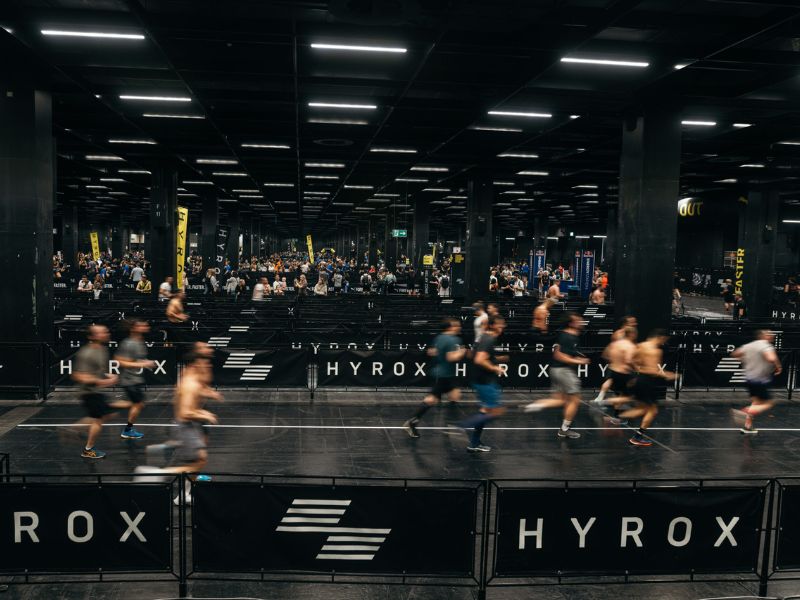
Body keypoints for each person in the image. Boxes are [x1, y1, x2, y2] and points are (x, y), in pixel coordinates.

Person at [524, 312, 589, 439]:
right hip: (564, 371)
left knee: (560, 400)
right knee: (575, 400)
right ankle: (564, 429)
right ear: (571, 323)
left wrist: (577, 355)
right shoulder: (568, 336)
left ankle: (536, 405)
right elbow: (559, 355)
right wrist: (579, 361)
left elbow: (565, 351)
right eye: (578, 320)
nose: (581, 321)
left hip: (557, 370)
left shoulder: (567, 335)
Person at [403, 318, 466, 438]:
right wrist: (462, 352)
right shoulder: (453, 340)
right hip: (444, 375)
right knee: (432, 399)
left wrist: (441, 353)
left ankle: (449, 424)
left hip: (444, 374)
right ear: (449, 327)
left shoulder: (439, 337)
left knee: (455, 396)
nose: (459, 327)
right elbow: (451, 358)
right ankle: (412, 422)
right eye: (456, 326)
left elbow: (431, 352)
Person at [458, 317, 508, 452]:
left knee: (485, 410)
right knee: (496, 411)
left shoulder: (483, 338)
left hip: (481, 380)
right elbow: (479, 360)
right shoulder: (489, 339)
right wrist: (495, 367)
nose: (502, 327)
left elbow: (475, 355)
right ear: (492, 325)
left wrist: (497, 359)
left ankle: (474, 443)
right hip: (485, 381)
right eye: (499, 324)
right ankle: (462, 426)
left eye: (503, 324)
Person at [72, 325, 119, 458]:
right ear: (92, 336)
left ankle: (75, 428)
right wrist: (102, 382)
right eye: (101, 332)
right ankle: (88, 449)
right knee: (98, 420)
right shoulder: (86, 353)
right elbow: (78, 376)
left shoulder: (102, 349)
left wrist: (108, 375)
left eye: (106, 331)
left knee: (109, 415)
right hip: (88, 392)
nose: (106, 334)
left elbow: (98, 370)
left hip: (96, 391)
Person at [622, 330, 676, 447]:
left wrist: (637, 371)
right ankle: (637, 436)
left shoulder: (641, 345)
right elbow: (653, 370)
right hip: (647, 382)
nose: (663, 342)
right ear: (660, 337)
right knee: (652, 411)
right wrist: (668, 375)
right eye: (664, 340)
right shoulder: (655, 351)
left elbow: (630, 360)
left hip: (639, 379)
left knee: (643, 409)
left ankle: (620, 418)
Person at [731, 331, 782, 434]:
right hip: (761, 380)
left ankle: (747, 427)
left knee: (756, 402)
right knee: (768, 404)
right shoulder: (766, 345)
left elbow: (735, 354)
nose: (772, 336)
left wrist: (743, 360)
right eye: (769, 334)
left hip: (749, 379)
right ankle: (744, 412)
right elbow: (771, 358)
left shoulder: (749, 345)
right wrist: (778, 366)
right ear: (764, 336)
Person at [115, 319, 156, 440]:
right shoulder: (128, 343)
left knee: (138, 404)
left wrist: (146, 362)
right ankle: (126, 429)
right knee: (138, 404)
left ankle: (127, 428)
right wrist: (142, 364)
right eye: (141, 325)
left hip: (135, 379)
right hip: (129, 379)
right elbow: (120, 361)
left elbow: (136, 359)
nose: (145, 326)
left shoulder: (140, 341)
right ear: (133, 328)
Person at [592, 326, 637, 422]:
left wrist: (616, 362)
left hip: (613, 371)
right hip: (624, 373)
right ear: (632, 334)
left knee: (619, 395)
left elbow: (606, 355)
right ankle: (606, 402)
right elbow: (628, 360)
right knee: (627, 396)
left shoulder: (614, 344)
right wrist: (636, 367)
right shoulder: (629, 345)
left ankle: (616, 416)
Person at [593, 316, 638, 402]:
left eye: (634, 322)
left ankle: (614, 398)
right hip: (620, 362)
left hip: (622, 362)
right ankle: (604, 398)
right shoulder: (619, 334)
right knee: (615, 380)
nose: (635, 323)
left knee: (614, 381)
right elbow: (615, 347)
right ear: (625, 323)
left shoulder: (631, 332)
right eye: (632, 322)